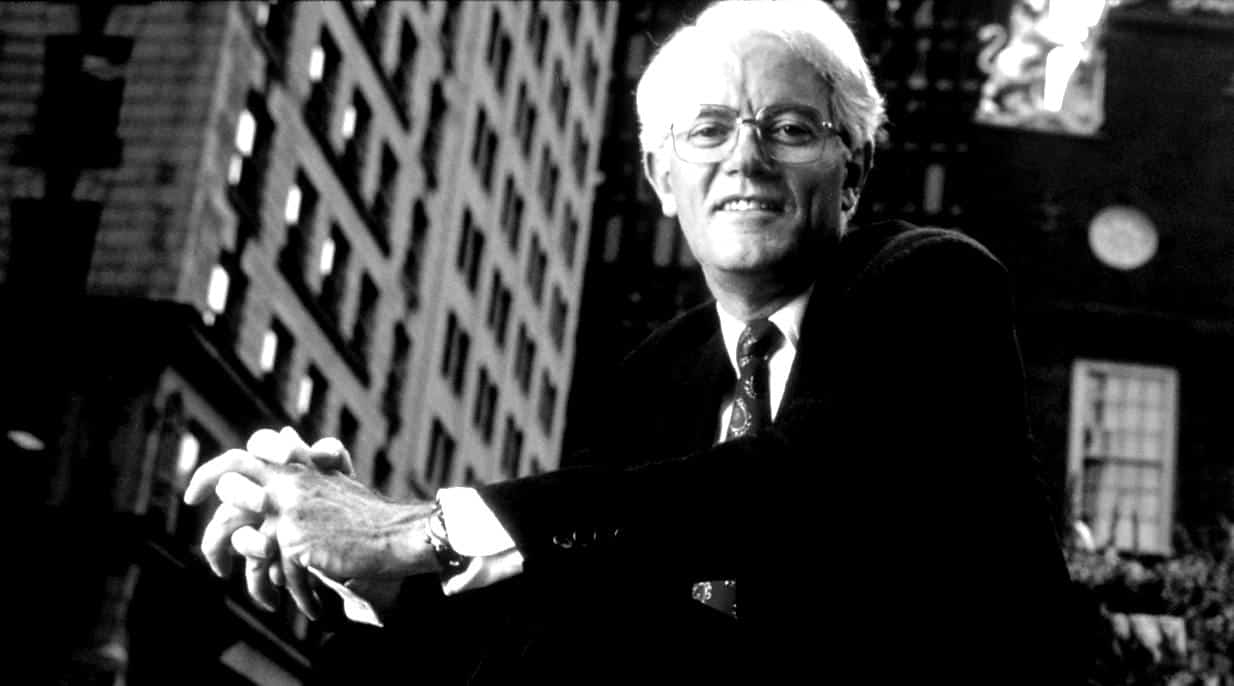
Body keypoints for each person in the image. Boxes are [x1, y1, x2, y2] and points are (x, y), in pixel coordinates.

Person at [185, 1, 1081, 682]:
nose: (746, 158)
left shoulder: (931, 281)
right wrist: (357, 570)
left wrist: (414, 533)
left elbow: (795, 489)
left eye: (790, 128)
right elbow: (561, 599)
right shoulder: (658, 375)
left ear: (854, 171)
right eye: (708, 130)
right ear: (660, 176)